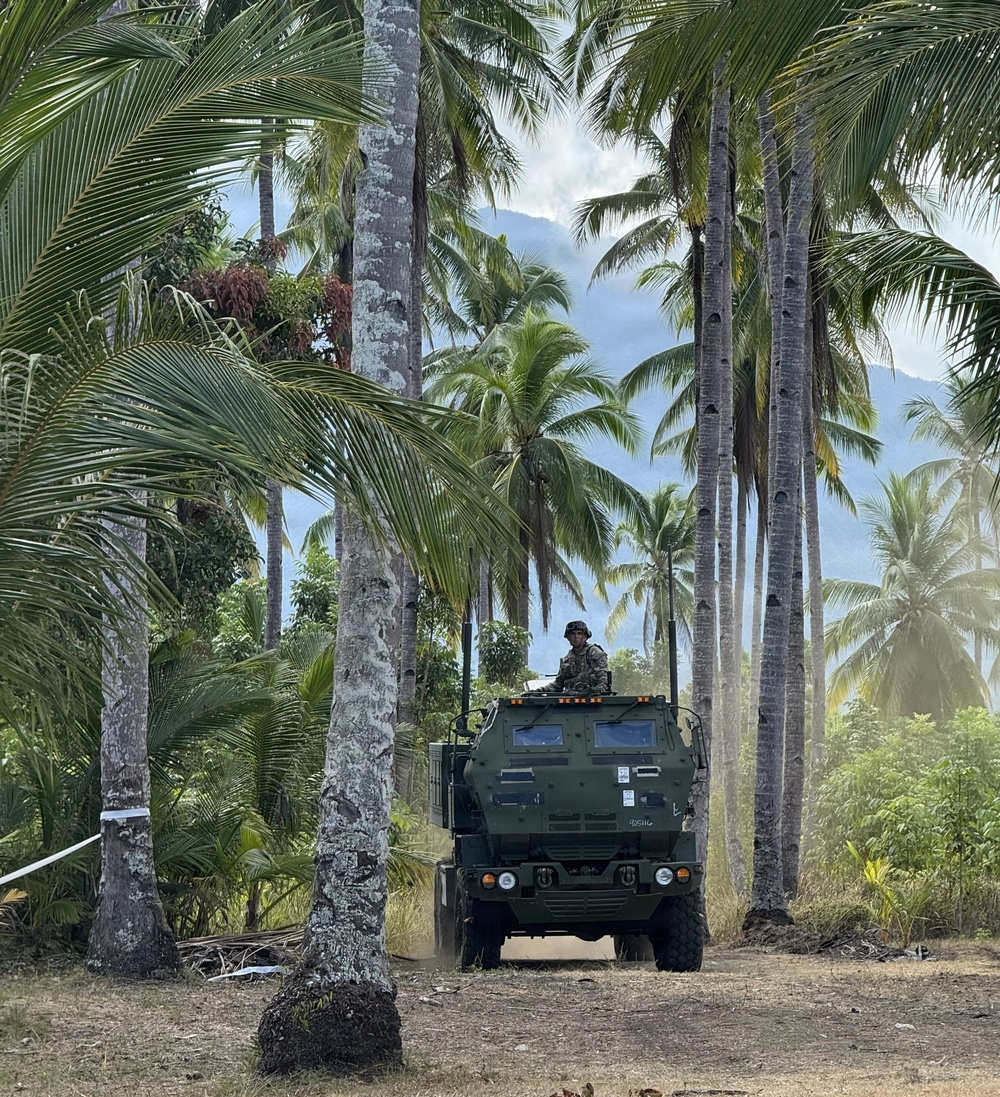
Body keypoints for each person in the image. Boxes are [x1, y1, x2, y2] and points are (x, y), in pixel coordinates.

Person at [539, 620, 610, 695]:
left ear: (585, 636)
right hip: (570, 701)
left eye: (579, 634)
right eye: (573, 634)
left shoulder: (593, 653)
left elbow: (603, 679)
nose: (576, 637)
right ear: (568, 637)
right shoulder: (566, 660)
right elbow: (558, 684)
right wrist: (541, 690)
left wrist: (593, 691)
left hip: (592, 700)